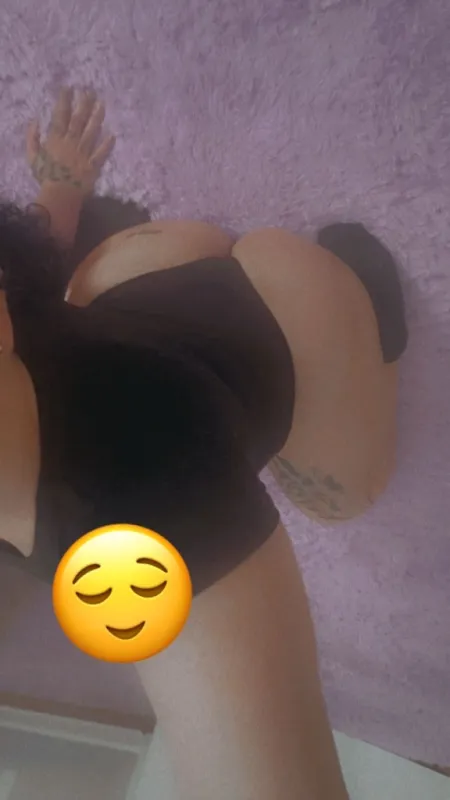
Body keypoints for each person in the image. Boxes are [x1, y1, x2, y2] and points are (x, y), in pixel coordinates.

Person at [0, 87, 407, 799]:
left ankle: (372, 322)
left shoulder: (148, 520)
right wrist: (58, 198)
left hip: (294, 307)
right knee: (88, 290)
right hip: (140, 277)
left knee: (342, 498)